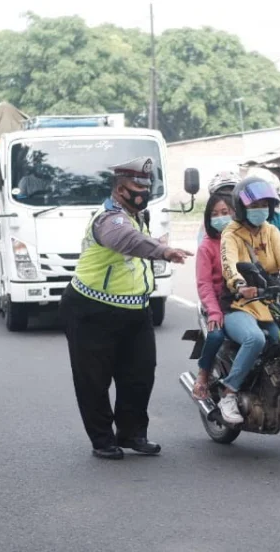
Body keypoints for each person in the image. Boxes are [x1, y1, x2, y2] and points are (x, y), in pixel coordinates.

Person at [60, 157, 192, 460]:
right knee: (94, 379)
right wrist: (162, 251)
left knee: (140, 375)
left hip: (135, 310)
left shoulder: (136, 215)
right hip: (91, 310)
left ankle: (132, 433)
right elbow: (126, 241)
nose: (144, 191)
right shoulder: (110, 219)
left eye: (147, 186)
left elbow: (137, 240)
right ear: (119, 190)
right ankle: (102, 440)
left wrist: (156, 243)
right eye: (138, 186)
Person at [217, 176, 280, 424]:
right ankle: (229, 393)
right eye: (254, 206)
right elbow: (229, 264)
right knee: (255, 338)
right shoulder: (231, 233)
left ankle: (276, 390)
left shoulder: (271, 231)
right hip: (238, 304)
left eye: (264, 205)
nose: (260, 210)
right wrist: (240, 285)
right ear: (242, 208)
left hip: (269, 303)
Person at [191, 192, 236, 398]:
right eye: (215, 214)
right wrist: (214, 312)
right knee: (217, 334)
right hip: (216, 303)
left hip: (242, 302)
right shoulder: (207, 247)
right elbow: (204, 284)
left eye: (225, 212)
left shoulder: (242, 239)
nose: (220, 217)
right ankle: (203, 374)